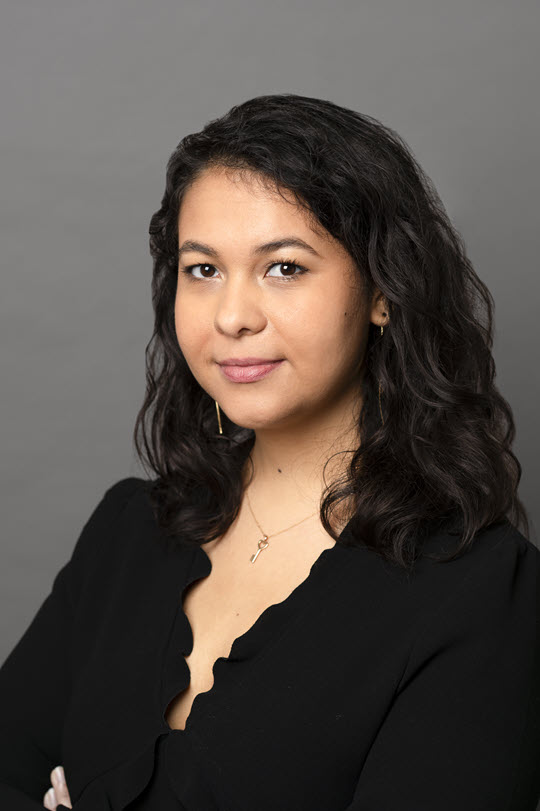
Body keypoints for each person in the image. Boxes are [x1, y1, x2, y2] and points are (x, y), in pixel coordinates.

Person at [1, 93, 539, 811]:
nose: (231, 316)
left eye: (284, 267)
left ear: (383, 290)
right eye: (203, 270)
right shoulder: (128, 532)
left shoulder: (480, 593)